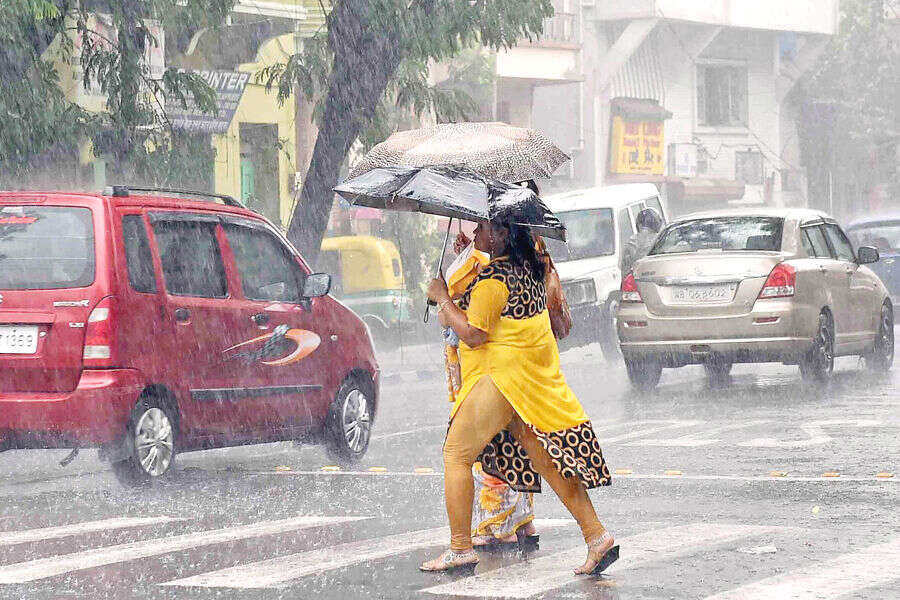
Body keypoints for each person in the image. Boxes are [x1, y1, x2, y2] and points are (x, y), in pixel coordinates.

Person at [421, 218, 616, 575]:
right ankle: (597, 536)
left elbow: (473, 334)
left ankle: (460, 547)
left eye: (481, 228)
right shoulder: (530, 266)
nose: (475, 234)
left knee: (456, 454)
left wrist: (442, 299)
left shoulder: (494, 280)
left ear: (501, 234)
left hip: (501, 379)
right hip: (528, 380)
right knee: (547, 461)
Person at [621, 207, 663, 275]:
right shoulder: (660, 240)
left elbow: (624, 269)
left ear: (638, 224)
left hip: (635, 280)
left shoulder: (630, 242)